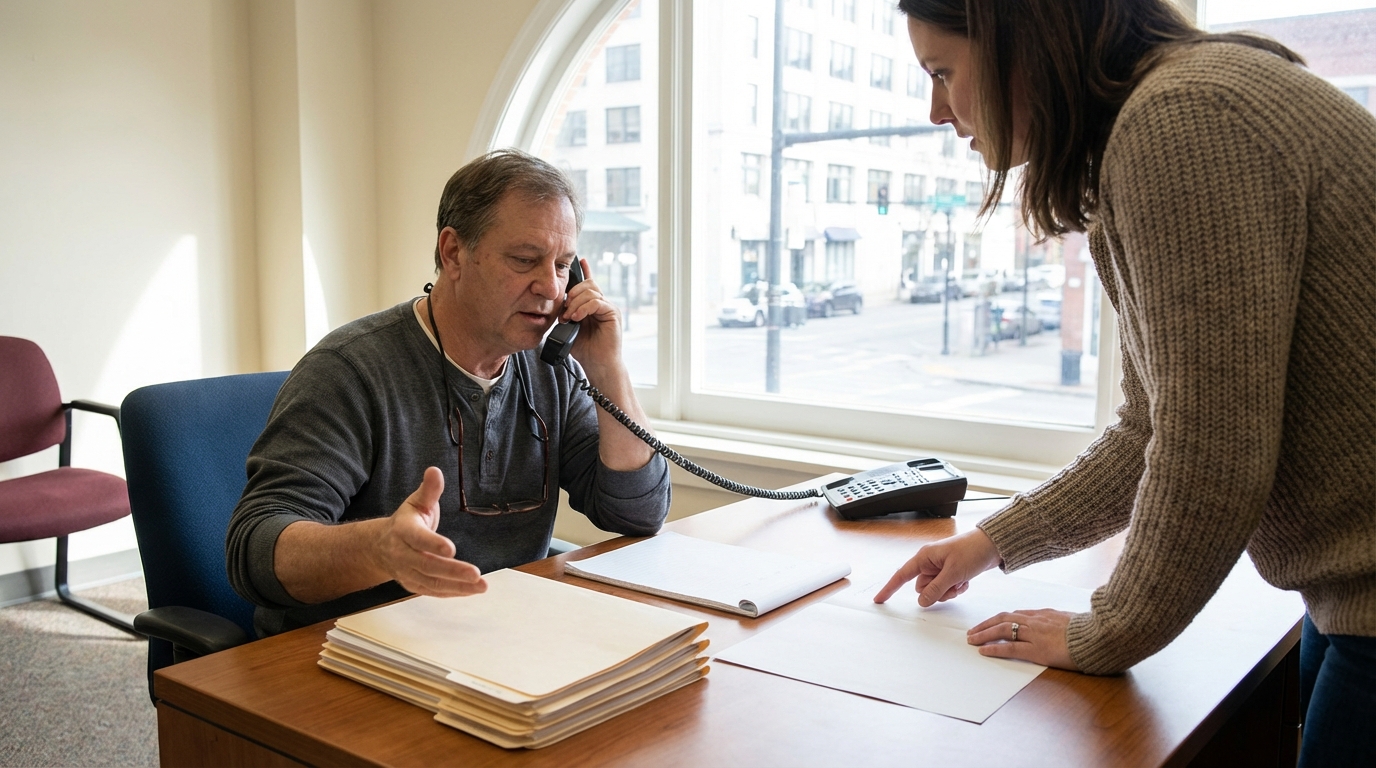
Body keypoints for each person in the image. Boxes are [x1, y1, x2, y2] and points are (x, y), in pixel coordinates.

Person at [877, 2, 1375, 765]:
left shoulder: (1181, 120)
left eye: (942, 73)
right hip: (1349, 594)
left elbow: (1213, 447)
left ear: (1022, 41)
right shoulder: (1183, 102)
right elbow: (1152, 426)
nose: (936, 110)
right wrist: (990, 543)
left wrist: (1106, 632)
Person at [227, 150, 670, 637]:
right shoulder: (349, 370)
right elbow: (254, 551)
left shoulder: (552, 371)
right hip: (353, 649)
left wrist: (608, 368)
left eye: (563, 266)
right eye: (525, 260)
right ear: (453, 252)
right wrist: (379, 549)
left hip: (497, 637)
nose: (550, 287)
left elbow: (638, 512)